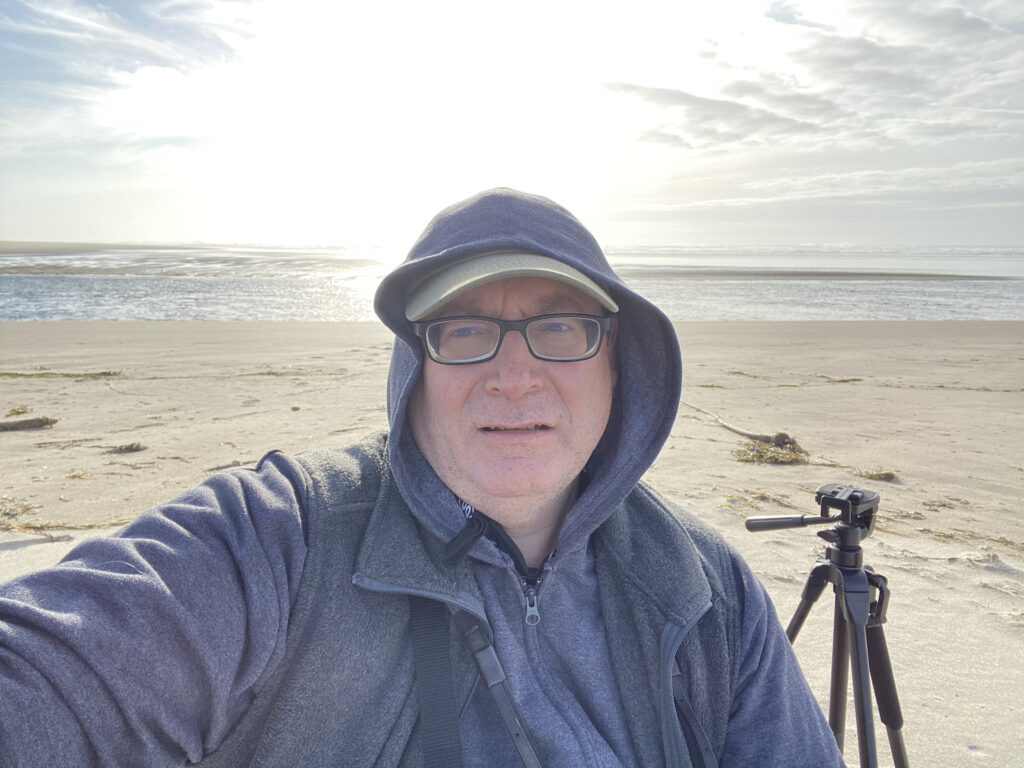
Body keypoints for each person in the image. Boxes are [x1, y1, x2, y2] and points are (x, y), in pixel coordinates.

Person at [0, 188, 844, 767]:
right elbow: (50, 675)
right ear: (417, 366)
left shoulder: (706, 590)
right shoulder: (281, 539)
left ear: (619, 364)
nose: (514, 377)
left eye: (559, 327)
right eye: (465, 328)